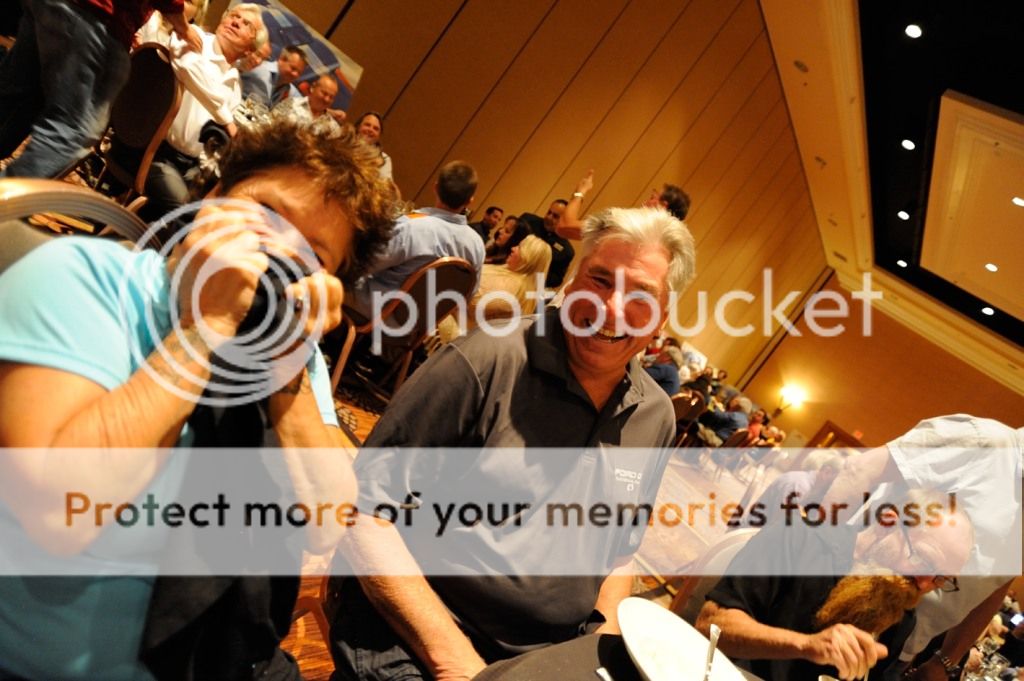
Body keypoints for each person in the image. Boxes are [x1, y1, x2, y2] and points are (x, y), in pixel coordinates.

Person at [0, 120, 399, 680]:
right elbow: (60, 516)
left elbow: (326, 521)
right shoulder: (83, 280)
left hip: (219, 648)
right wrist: (204, 327)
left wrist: (285, 371)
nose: (277, 250)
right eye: (266, 213)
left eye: (312, 254)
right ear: (212, 197)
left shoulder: (289, 352)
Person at [327, 205, 697, 681]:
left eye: (640, 295)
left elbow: (619, 553)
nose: (610, 309)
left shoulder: (655, 417)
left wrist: (594, 655)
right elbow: (363, 510)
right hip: (423, 633)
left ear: (661, 318)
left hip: (543, 656)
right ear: (572, 281)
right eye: (600, 279)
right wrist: (457, 665)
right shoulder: (485, 360)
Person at [818, 415, 1023, 680]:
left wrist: (946, 661)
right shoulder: (985, 442)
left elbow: (996, 584)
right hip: (840, 603)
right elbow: (862, 470)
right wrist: (810, 565)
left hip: (903, 646)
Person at [697, 490, 974, 680]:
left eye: (941, 578)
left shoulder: (902, 614)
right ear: (887, 524)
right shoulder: (799, 538)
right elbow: (712, 624)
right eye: (924, 560)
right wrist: (806, 645)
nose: (924, 584)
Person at [0, 0, 201, 179]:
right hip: (94, 16)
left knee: (17, 99)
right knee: (73, 131)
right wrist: (183, 27)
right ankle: (7, 201)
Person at [139, 3, 268, 223]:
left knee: (214, 218)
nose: (236, 22)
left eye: (246, 24)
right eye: (234, 15)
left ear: (249, 49)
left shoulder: (235, 86)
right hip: (152, 151)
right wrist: (227, 120)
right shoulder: (193, 37)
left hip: (189, 167)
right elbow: (188, 69)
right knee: (189, 217)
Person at [345, 160, 485, 320]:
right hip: (417, 325)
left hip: (377, 313)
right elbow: (466, 296)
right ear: (470, 201)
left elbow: (363, 265)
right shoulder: (477, 245)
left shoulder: (412, 227)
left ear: (436, 187)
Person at [437, 234, 551, 342]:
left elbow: (472, 302)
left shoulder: (513, 287)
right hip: (449, 314)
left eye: (520, 248)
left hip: (455, 332)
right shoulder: (507, 271)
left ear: (528, 258)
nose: (513, 248)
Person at [274, 72, 346, 137]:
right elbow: (270, 123)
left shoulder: (333, 128)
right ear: (313, 88)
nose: (327, 99)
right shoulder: (291, 103)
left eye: (331, 97)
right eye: (324, 93)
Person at [525, 199, 574, 288]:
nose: (549, 217)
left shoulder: (566, 251)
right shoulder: (528, 221)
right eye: (549, 212)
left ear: (564, 220)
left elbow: (556, 279)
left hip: (531, 285)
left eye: (555, 216)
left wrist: (536, 272)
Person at [240, 43, 307, 108]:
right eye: (293, 68)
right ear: (282, 59)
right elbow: (261, 107)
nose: (295, 74)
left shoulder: (287, 87)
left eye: (299, 73)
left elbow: (302, 103)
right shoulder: (261, 72)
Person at [354, 111, 392, 181]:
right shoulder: (343, 143)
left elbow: (385, 185)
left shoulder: (384, 159)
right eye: (367, 125)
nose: (370, 130)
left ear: (379, 136)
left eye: (375, 129)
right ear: (358, 127)